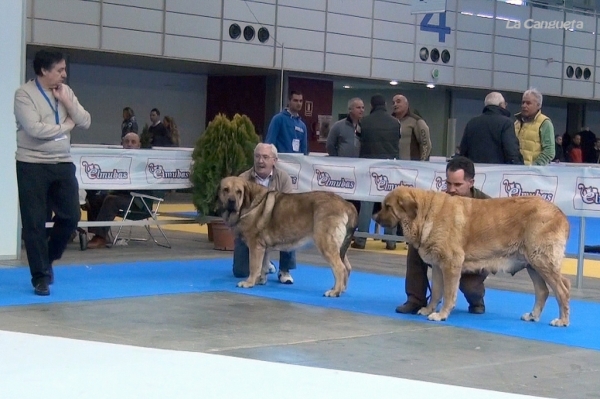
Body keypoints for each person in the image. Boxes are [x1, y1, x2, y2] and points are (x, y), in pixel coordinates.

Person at [14, 49, 92, 296]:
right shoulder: (24, 95)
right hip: (31, 163)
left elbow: (86, 121)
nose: (64, 74)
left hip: (62, 162)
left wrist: (68, 104)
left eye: (64, 69)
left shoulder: (65, 91)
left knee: (70, 216)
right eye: (59, 70)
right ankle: (40, 277)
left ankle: (47, 258)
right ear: (44, 71)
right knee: (34, 222)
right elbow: (35, 129)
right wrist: (66, 126)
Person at [396, 156, 490, 315]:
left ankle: (477, 300)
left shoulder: (486, 204)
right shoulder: (439, 201)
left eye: (458, 184)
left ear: (471, 183)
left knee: (470, 288)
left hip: (474, 255)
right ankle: (415, 299)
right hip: (445, 251)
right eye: (448, 183)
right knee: (416, 246)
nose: (452, 189)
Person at [232, 143, 296, 284]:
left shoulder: (283, 178)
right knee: (240, 272)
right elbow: (238, 210)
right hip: (251, 228)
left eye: (265, 157)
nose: (260, 161)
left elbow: (289, 206)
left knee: (291, 228)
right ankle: (265, 264)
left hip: (277, 225)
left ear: (274, 160)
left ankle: (284, 270)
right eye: (257, 156)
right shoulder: (242, 178)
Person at [352, 94, 401, 251]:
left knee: (366, 202)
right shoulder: (396, 123)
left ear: (371, 105)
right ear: (385, 104)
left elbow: (357, 139)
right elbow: (398, 139)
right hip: (390, 167)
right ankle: (391, 241)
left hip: (368, 167)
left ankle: (361, 240)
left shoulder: (363, 122)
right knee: (391, 203)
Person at [86, 133, 148, 249]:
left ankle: (100, 237)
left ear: (139, 145)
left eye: (133, 142)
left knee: (110, 200)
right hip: (120, 195)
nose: (129, 144)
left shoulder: (143, 163)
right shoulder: (118, 161)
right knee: (95, 197)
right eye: (127, 142)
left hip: (138, 201)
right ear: (122, 144)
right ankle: (99, 234)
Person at [459, 92, 523, 165]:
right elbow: (511, 152)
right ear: (501, 105)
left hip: (475, 170)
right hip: (497, 171)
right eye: (505, 104)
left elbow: (463, 152)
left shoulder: (472, 123)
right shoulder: (506, 123)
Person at [514, 88, 555, 165]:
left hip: (533, 173)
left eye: (528, 103)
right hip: (516, 170)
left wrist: (534, 167)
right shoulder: (517, 123)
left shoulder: (545, 123)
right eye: (523, 102)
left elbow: (549, 152)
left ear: (538, 105)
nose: (524, 106)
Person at [392, 94, 431, 161]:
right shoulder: (390, 121)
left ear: (406, 104)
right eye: (393, 103)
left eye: (398, 102)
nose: (395, 104)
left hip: (410, 165)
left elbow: (426, 144)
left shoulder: (416, 121)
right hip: (392, 164)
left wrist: (422, 161)